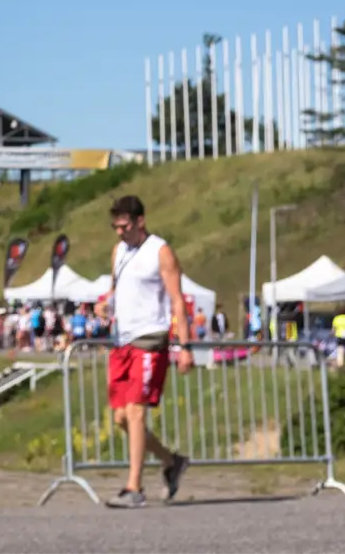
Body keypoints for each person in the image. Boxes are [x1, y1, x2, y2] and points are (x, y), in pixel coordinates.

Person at [104, 195, 194, 509]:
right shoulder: (119, 252)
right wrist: (107, 302)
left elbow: (177, 300)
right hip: (122, 340)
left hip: (150, 338)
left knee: (136, 411)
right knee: (121, 418)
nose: (120, 232)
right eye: (115, 226)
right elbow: (117, 288)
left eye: (124, 226)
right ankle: (172, 461)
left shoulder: (161, 251)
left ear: (140, 221)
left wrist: (184, 346)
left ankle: (133, 487)